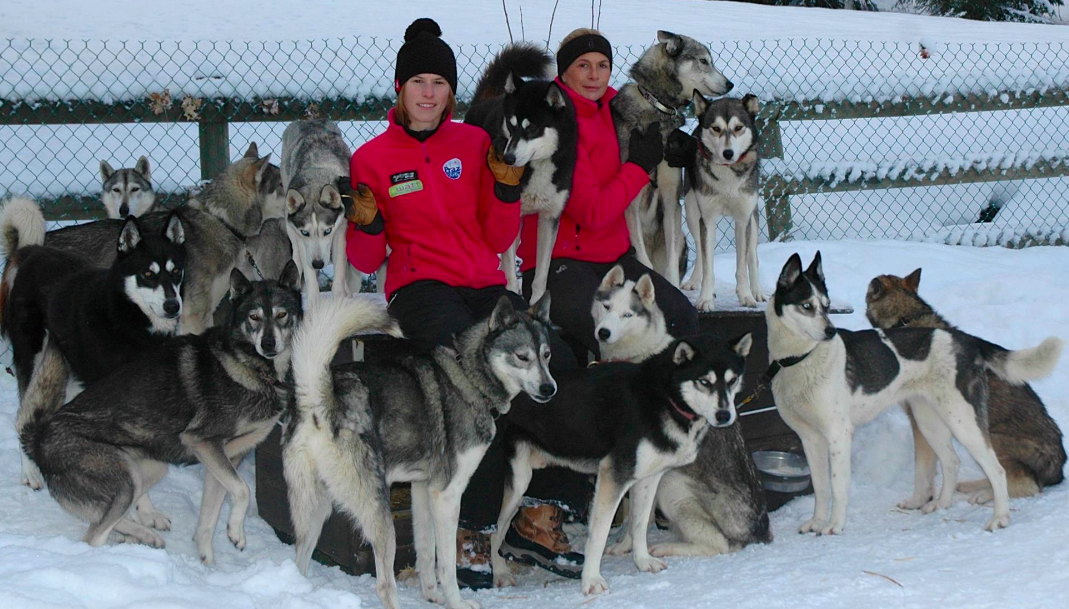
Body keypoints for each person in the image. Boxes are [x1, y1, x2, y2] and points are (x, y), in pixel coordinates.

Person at [343, 17, 589, 588]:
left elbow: (500, 237)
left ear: (451, 92)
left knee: (559, 361)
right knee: (473, 380)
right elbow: (362, 259)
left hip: (483, 283)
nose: (429, 93)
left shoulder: (476, 143)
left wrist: (505, 189)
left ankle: (537, 512)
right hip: (419, 287)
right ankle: (470, 533)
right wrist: (366, 220)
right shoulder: (373, 158)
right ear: (401, 88)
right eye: (418, 81)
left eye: (439, 83)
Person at [517, 28, 700, 364]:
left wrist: (679, 142)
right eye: (583, 65)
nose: (594, 75)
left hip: (613, 259)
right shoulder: (554, 122)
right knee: (621, 338)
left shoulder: (614, 108)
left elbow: (658, 112)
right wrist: (639, 167)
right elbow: (592, 212)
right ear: (564, 71)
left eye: (603, 65)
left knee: (680, 319)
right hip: (560, 262)